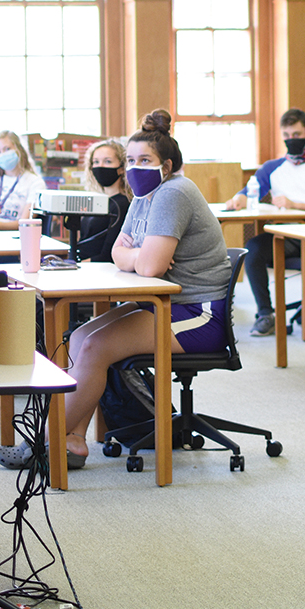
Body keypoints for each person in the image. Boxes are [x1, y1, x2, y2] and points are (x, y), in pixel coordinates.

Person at [60, 109, 230, 467]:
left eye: (145, 160)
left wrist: (138, 256)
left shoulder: (174, 193)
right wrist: (139, 254)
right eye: (132, 160)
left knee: (94, 345)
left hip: (197, 314)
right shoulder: (142, 197)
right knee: (79, 338)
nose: (136, 167)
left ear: (165, 165)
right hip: (163, 304)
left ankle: (47, 440)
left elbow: (149, 265)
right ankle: (73, 439)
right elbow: (118, 252)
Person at [225, 108, 305, 337]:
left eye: (297, 134)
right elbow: (250, 190)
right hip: (285, 235)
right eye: (287, 135)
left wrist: (295, 204)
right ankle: (265, 314)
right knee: (253, 249)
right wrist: (239, 198)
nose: (292, 140)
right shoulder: (272, 167)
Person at [77, 139, 131, 262]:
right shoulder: (97, 201)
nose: (100, 166)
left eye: (107, 161)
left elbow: (109, 255)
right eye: (96, 162)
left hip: (99, 270)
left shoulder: (122, 204)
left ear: (122, 168)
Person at [0, 130, 46, 231]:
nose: (2, 155)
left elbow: (25, 223)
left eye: (7, 149)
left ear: (19, 149)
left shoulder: (34, 182)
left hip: (15, 237)